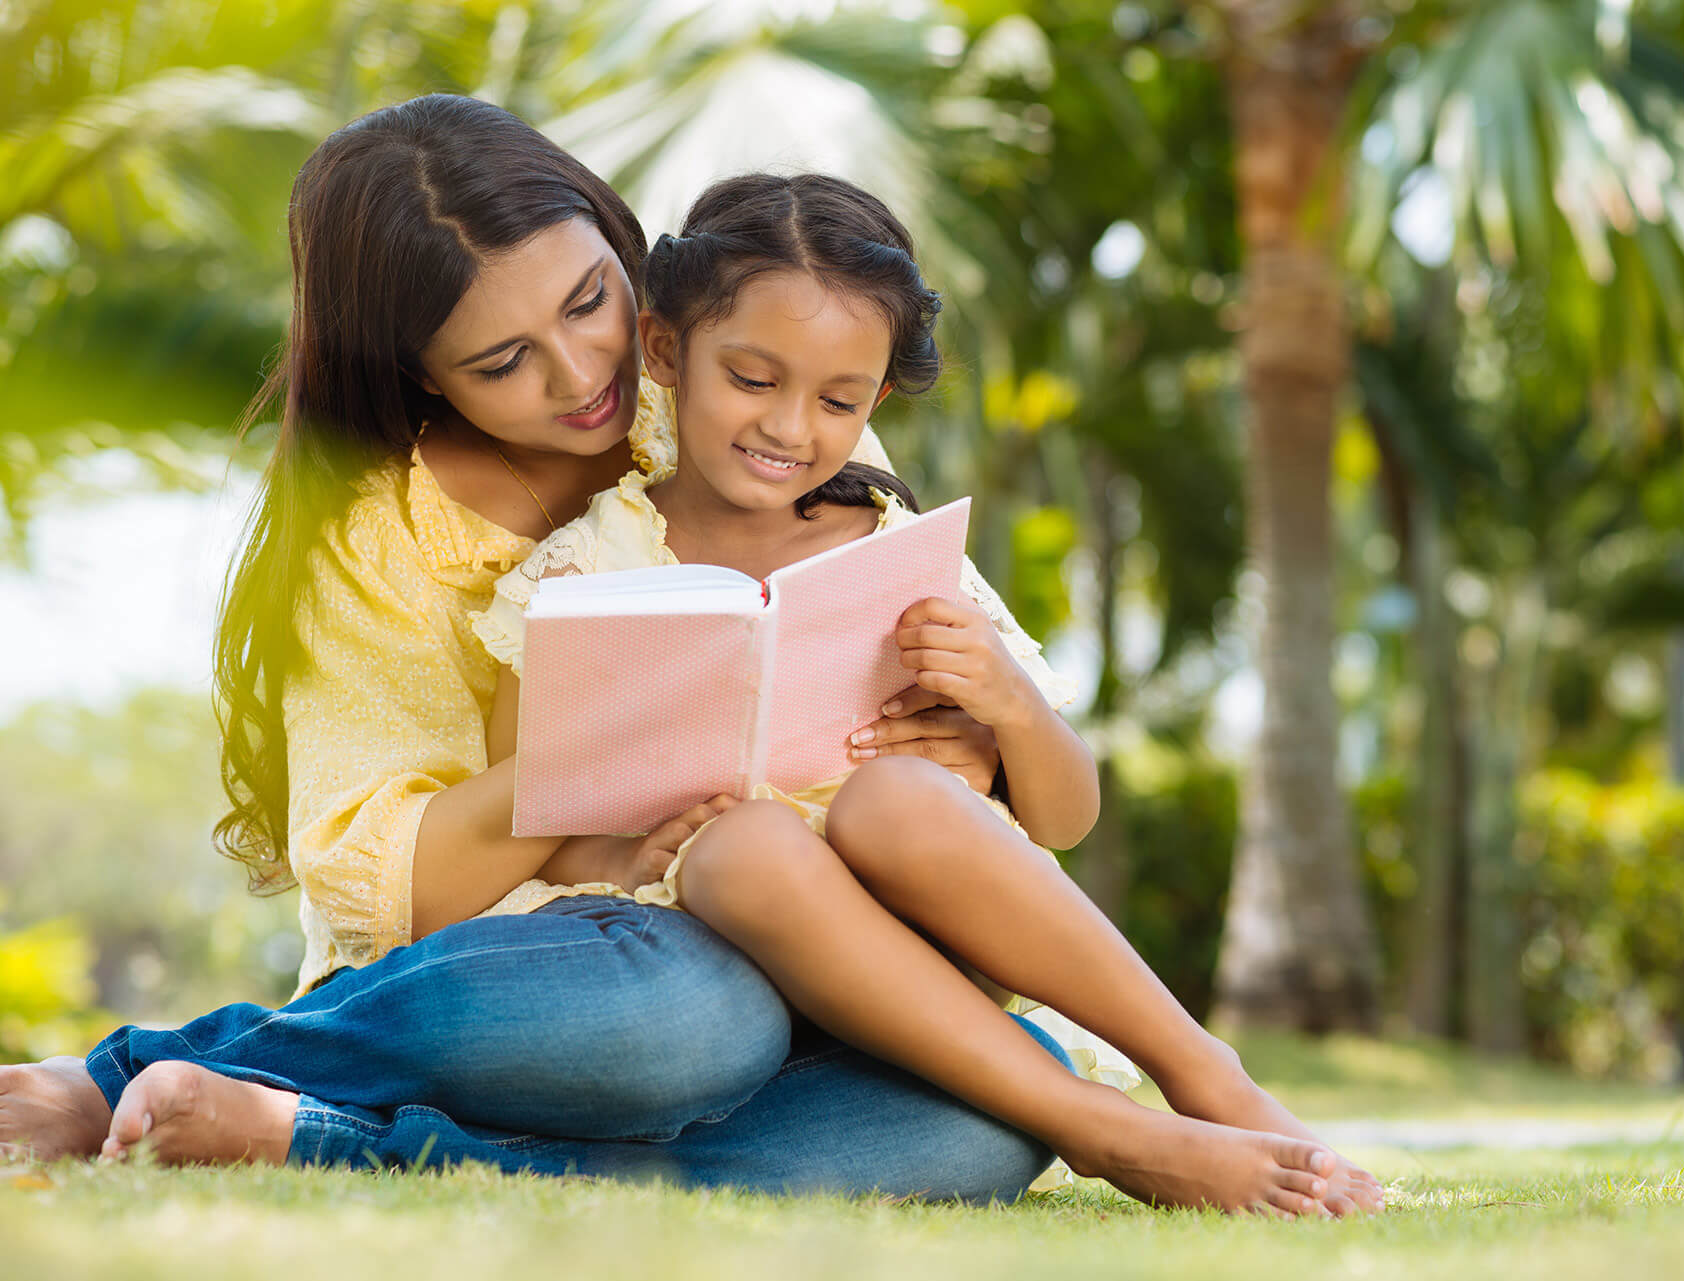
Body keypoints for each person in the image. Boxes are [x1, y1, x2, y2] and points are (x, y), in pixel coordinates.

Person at [0, 94, 1087, 1203]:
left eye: (587, 303)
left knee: (991, 1122)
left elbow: (967, 688)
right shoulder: (375, 539)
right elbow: (396, 889)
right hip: (567, 967)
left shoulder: (749, 381)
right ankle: (155, 1075)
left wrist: (965, 742)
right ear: (423, 369)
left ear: (626, 260)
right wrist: (618, 752)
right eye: (505, 359)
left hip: (828, 951)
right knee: (690, 1023)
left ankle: (308, 1133)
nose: (580, 377)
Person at [473, 172, 1384, 1218]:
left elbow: (1065, 817)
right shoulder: (577, 576)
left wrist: (1009, 710)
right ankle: (1108, 1136)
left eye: (838, 400)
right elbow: (528, 816)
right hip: (713, 957)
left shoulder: (896, 553)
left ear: (878, 403)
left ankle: (1204, 1073)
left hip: (916, 943)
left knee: (894, 801)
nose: (791, 426)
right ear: (668, 351)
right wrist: (624, 853)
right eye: (754, 379)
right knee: (748, 845)